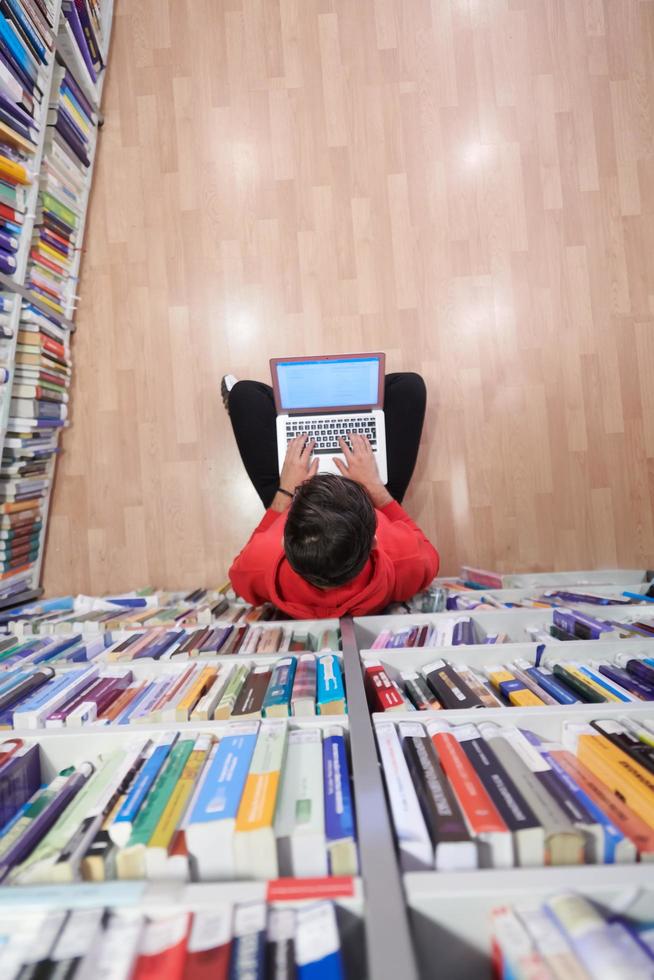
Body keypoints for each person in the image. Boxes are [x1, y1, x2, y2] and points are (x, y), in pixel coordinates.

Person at [223, 371, 439, 618]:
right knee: (409, 386)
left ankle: (302, 410)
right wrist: (375, 488)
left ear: (284, 541)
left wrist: (285, 491)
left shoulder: (259, 566)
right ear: (374, 541)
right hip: (370, 495)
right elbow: (428, 553)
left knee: (244, 395)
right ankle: (334, 409)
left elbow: (238, 577)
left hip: (292, 495)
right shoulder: (405, 560)